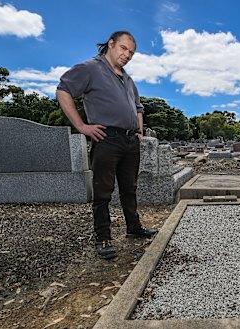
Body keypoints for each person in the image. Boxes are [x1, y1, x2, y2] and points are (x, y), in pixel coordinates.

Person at [56, 31, 157, 259]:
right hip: (106, 137)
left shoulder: (128, 79)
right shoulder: (91, 69)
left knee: (129, 188)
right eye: (123, 48)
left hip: (130, 140)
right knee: (103, 191)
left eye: (131, 52)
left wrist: (139, 130)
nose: (127, 55)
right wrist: (81, 126)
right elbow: (63, 90)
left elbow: (138, 108)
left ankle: (134, 227)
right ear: (110, 44)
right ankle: (103, 237)